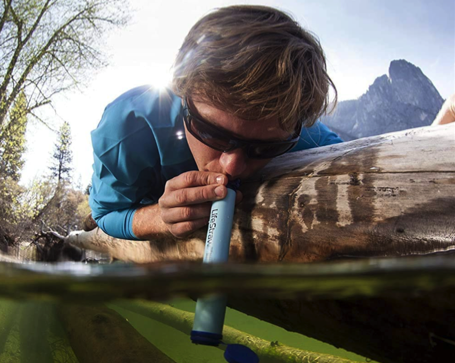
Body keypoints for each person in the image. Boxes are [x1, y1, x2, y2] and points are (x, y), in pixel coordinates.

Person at [88, 5, 343, 241]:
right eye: (211, 133)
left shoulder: (293, 128)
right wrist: (159, 218)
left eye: (264, 149)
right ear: (181, 90)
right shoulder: (127, 128)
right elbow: (105, 214)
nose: (231, 167)